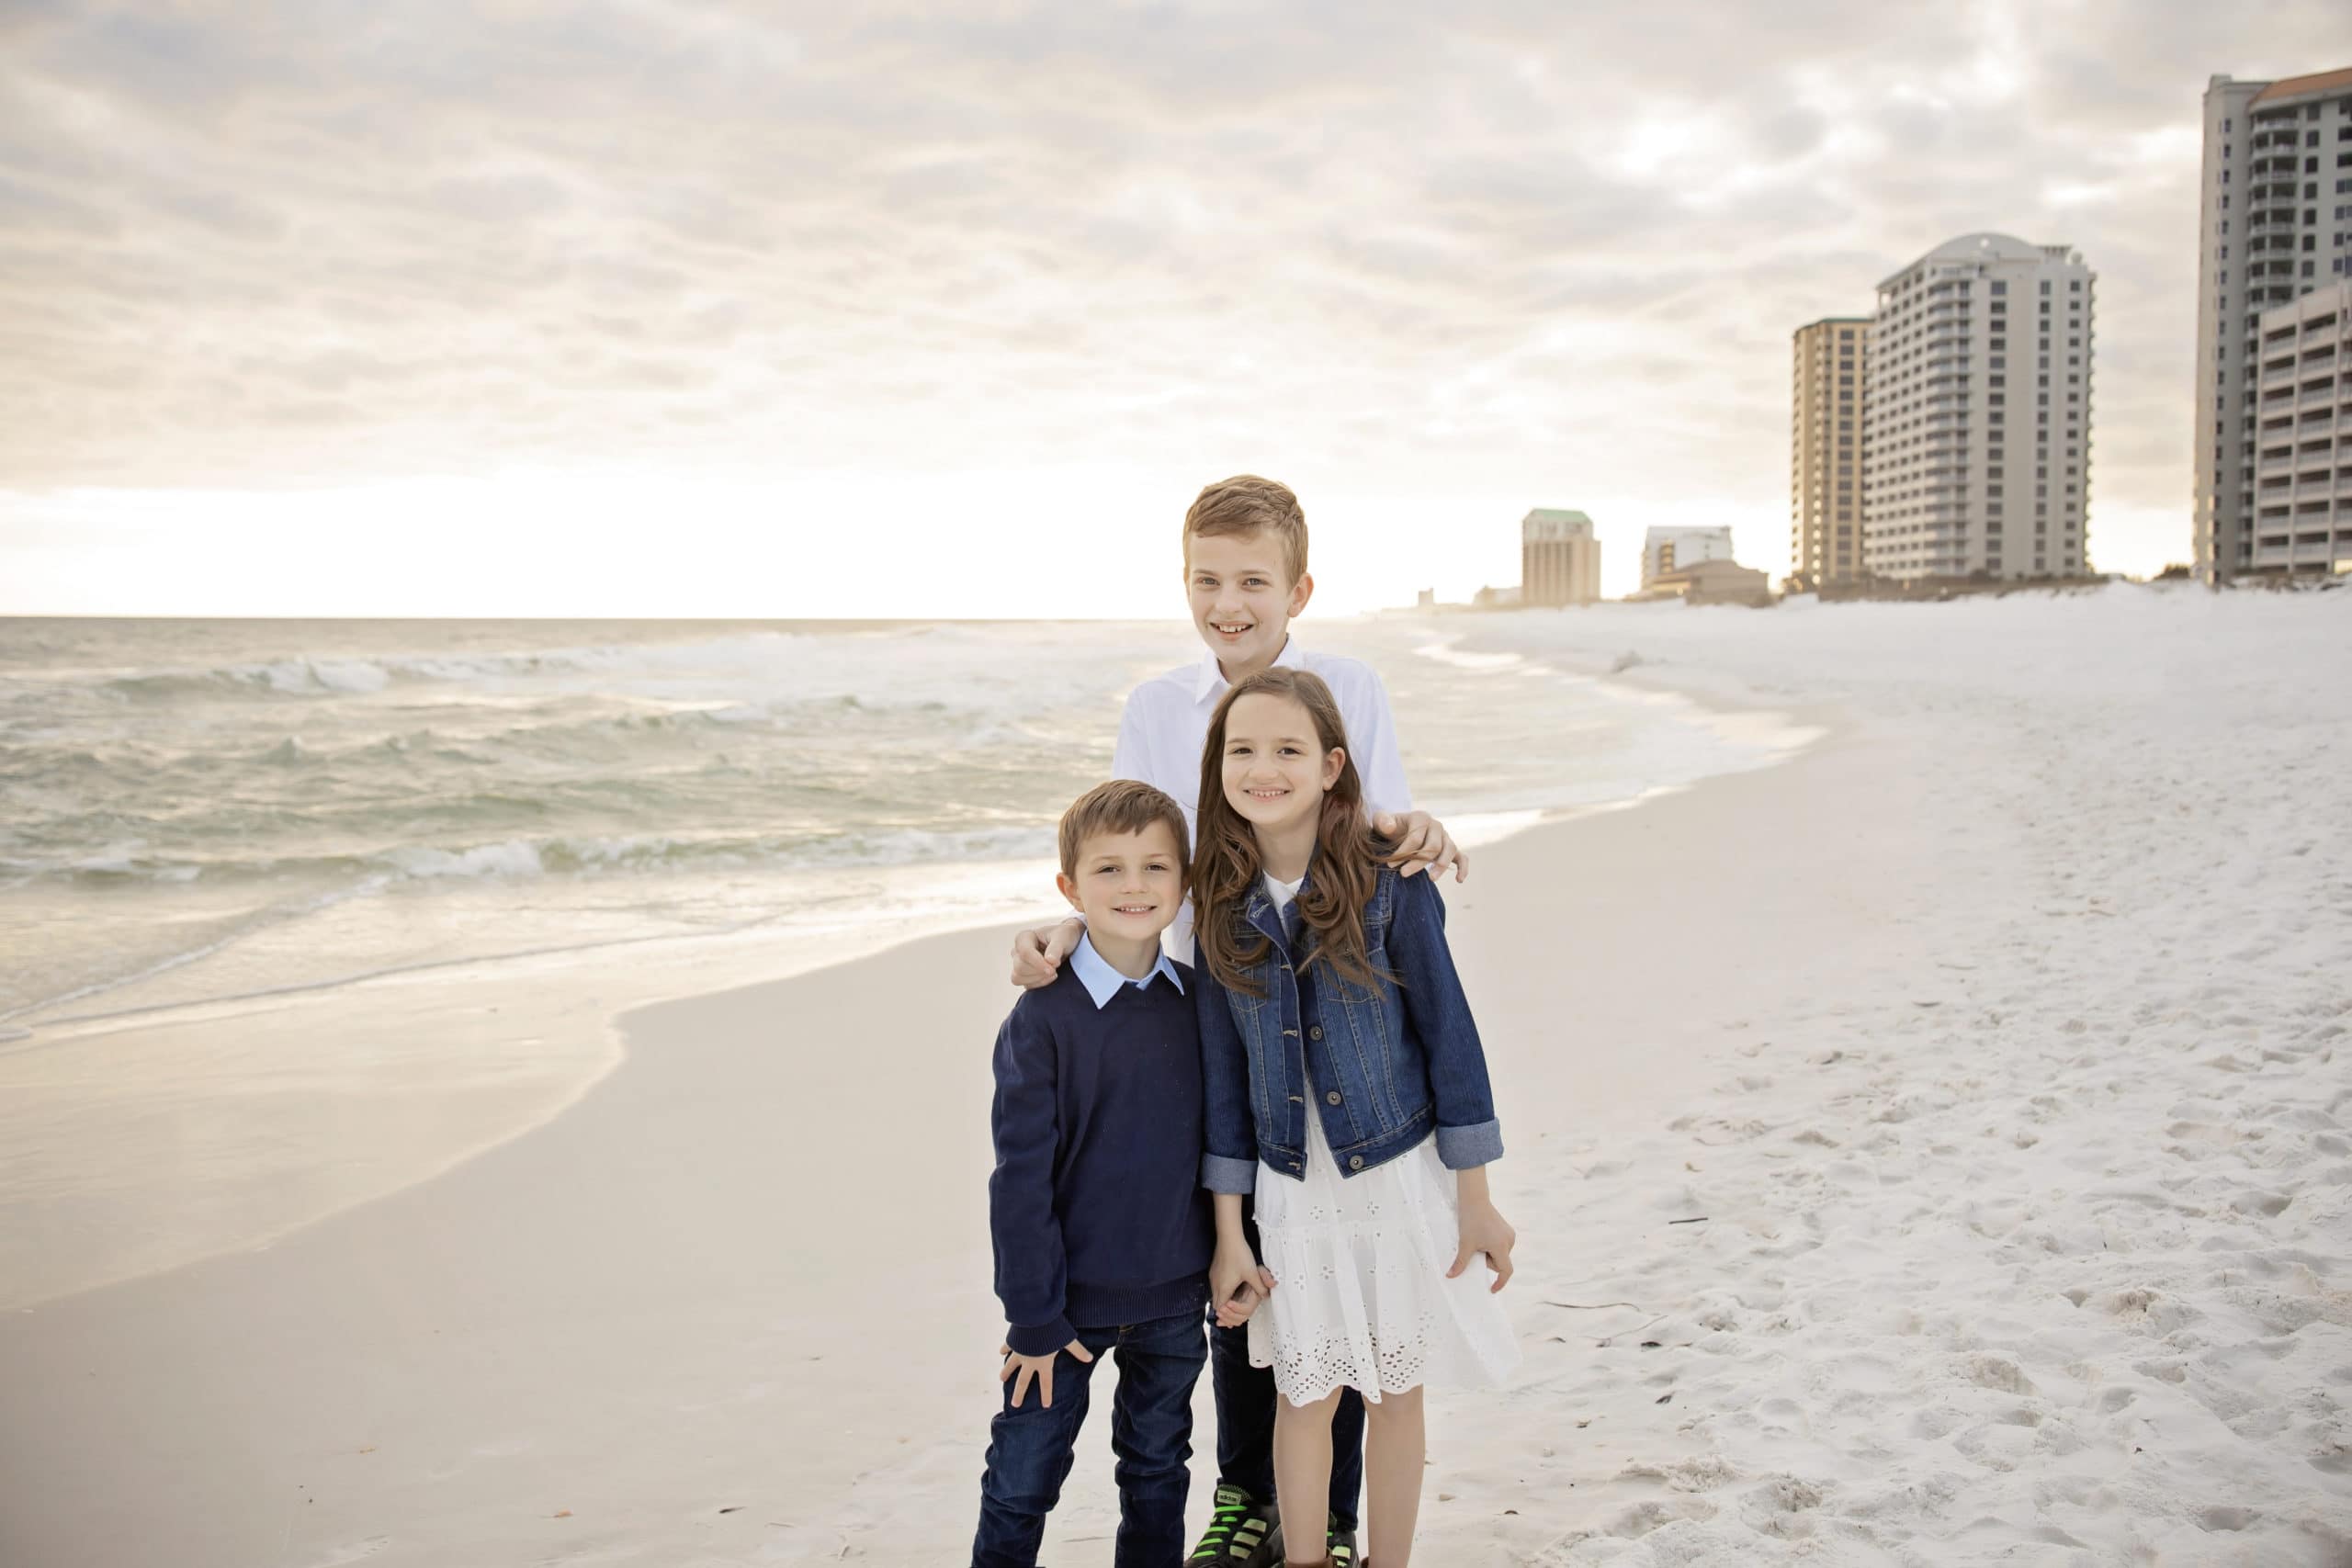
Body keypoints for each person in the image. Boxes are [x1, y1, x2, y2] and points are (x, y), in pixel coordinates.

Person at [1008, 475, 1464, 1565]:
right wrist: (1070, 928)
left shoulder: (1347, 684)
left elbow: (1379, 823)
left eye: (1253, 581)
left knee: (1341, 1258)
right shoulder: (1158, 707)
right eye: (1208, 581)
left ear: (1297, 588)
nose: (1230, 603)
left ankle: (1335, 1510)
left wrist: (1421, 823)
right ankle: (1249, 1495)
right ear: (1184, 585)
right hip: (1212, 1005)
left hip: (1337, 1014)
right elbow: (1133, 852)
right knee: (1247, 1254)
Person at [1193, 666, 1521, 1568]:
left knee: (1395, 1389)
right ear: (1217, 766)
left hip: (1397, 1181)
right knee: (1306, 1395)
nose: (1265, 768)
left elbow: (1450, 1038)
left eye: (1288, 750)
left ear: (1332, 765)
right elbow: (1224, 1090)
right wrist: (1230, 1234)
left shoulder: (1391, 881)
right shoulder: (1218, 910)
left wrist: (1476, 1198)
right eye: (1243, 750)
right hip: (1289, 1193)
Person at [974, 781, 1223, 1568]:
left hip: (1177, 1301)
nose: (1135, 886)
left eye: (1155, 866)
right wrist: (1033, 1318)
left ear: (1183, 882)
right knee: (1021, 1483)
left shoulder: (1199, 1004)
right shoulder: (1043, 1018)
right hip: (1062, 1315)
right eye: (1109, 869)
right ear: (1070, 888)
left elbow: (1223, 1144)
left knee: (1157, 1473)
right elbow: (1019, 1180)